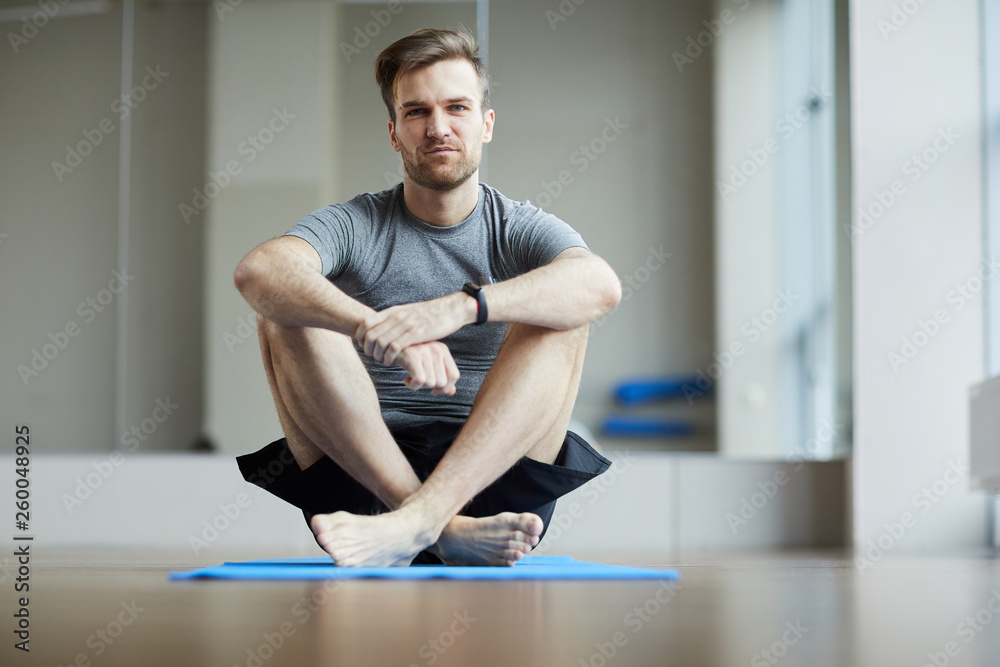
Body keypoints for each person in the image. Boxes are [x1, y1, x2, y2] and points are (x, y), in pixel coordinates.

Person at [233, 27, 621, 568]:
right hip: (362, 478)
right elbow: (260, 271)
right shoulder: (356, 223)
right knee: (284, 314)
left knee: (561, 312)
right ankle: (442, 528)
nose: (437, 128)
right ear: (394, 134)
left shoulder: (519, 227)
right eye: (416, 112)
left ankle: (419, 522)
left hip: (493, 476)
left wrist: (461, 306)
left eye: (456, 107)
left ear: (486, 125)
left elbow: (600, 284)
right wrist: (377, 329)